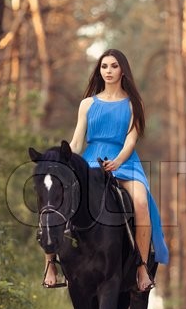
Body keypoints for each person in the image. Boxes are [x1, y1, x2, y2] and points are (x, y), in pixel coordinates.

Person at [42, 49, 169, 292]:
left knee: (141, 202)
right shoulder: (87, 104)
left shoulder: (134, 104)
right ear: (99, 71)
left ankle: (141, 267)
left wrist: (119, 161)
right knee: (58, 199)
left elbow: (131, 140)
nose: (108, 71)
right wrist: (64, 161)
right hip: (91, 161)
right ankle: (50, 264)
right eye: (104, 66)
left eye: (113, 66)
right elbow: (78, 141)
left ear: (123, 70)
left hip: (126, 162)